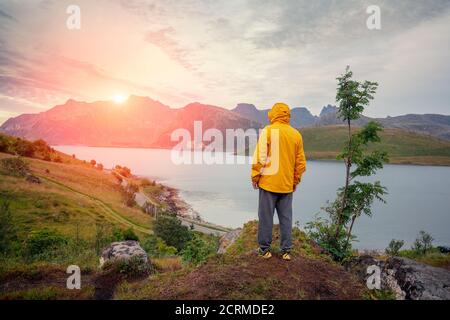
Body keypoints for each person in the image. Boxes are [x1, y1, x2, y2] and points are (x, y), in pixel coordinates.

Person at [251, 102, 306, 261]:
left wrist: (255, 176)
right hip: (286, 185)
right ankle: (286, 251)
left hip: (268, 183)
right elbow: (300, 163)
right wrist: (294, 181)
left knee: (266, 217)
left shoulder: (268, 131)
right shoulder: (296, 135)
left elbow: (260, 157)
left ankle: (264, 250)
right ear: (287, 115)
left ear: (273, 115)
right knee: (286, 218)